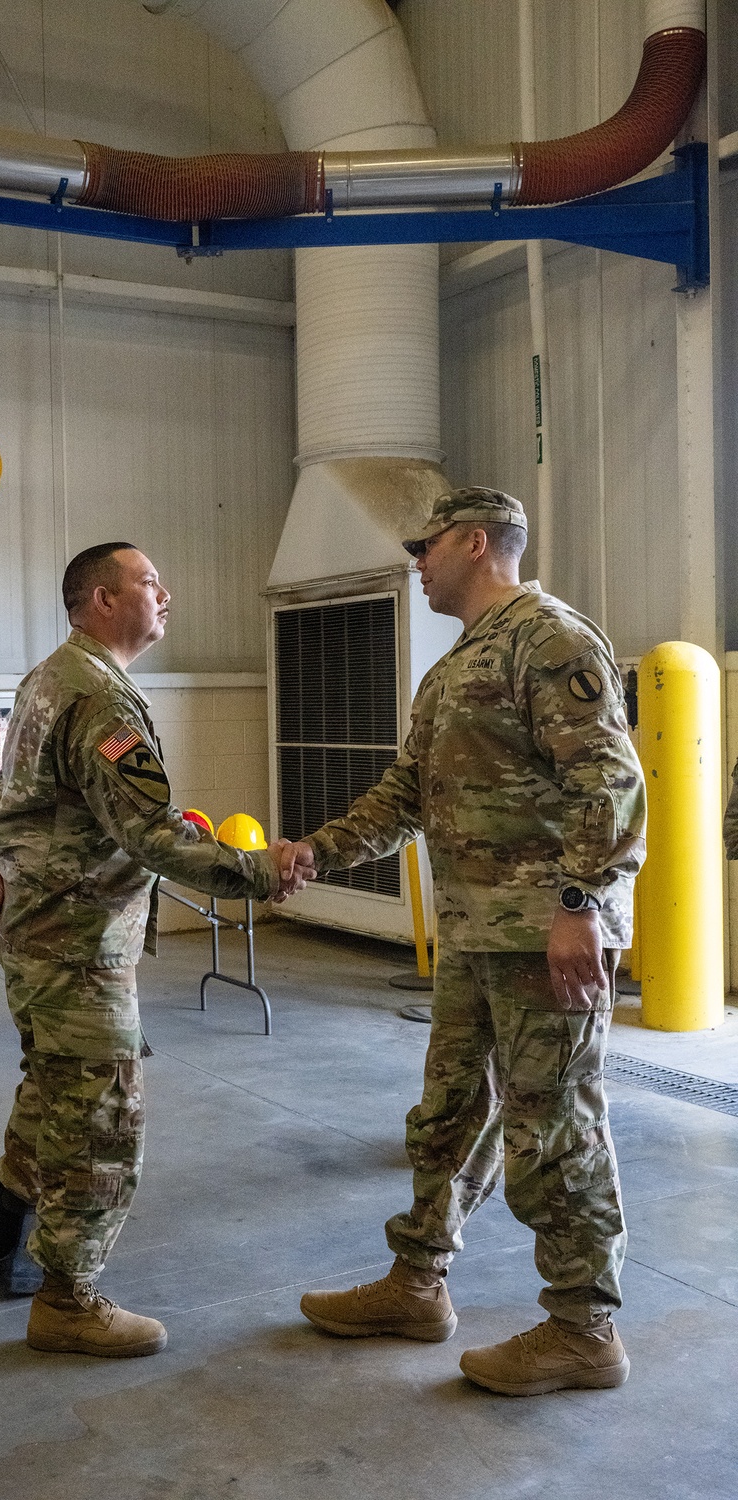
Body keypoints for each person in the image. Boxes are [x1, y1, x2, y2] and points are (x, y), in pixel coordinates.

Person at [277, 487, 646, 1397]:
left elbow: (611, 782)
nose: (416, 558)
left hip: (545, 937)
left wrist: (579, 905)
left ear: (476, 543)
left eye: (427, 543)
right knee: (446, 1116)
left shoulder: (549, 639)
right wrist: (315, 851)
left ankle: (582, 1329)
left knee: (553, 1130)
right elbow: (406, 794)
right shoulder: (452, 668)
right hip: (476, 938)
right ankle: (418, 1283)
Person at [0, 542, 307, 1359]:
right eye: (149, 583)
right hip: (76, 942)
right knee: (101, 1116)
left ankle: (8, 1245)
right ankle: (68, 1299)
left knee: (53, 1090)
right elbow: (152, 835)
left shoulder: (52, 677)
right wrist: (261, 871)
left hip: (44, 932)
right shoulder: (99, 697)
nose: (167, 594)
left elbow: (11, 799)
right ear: (100, 600)